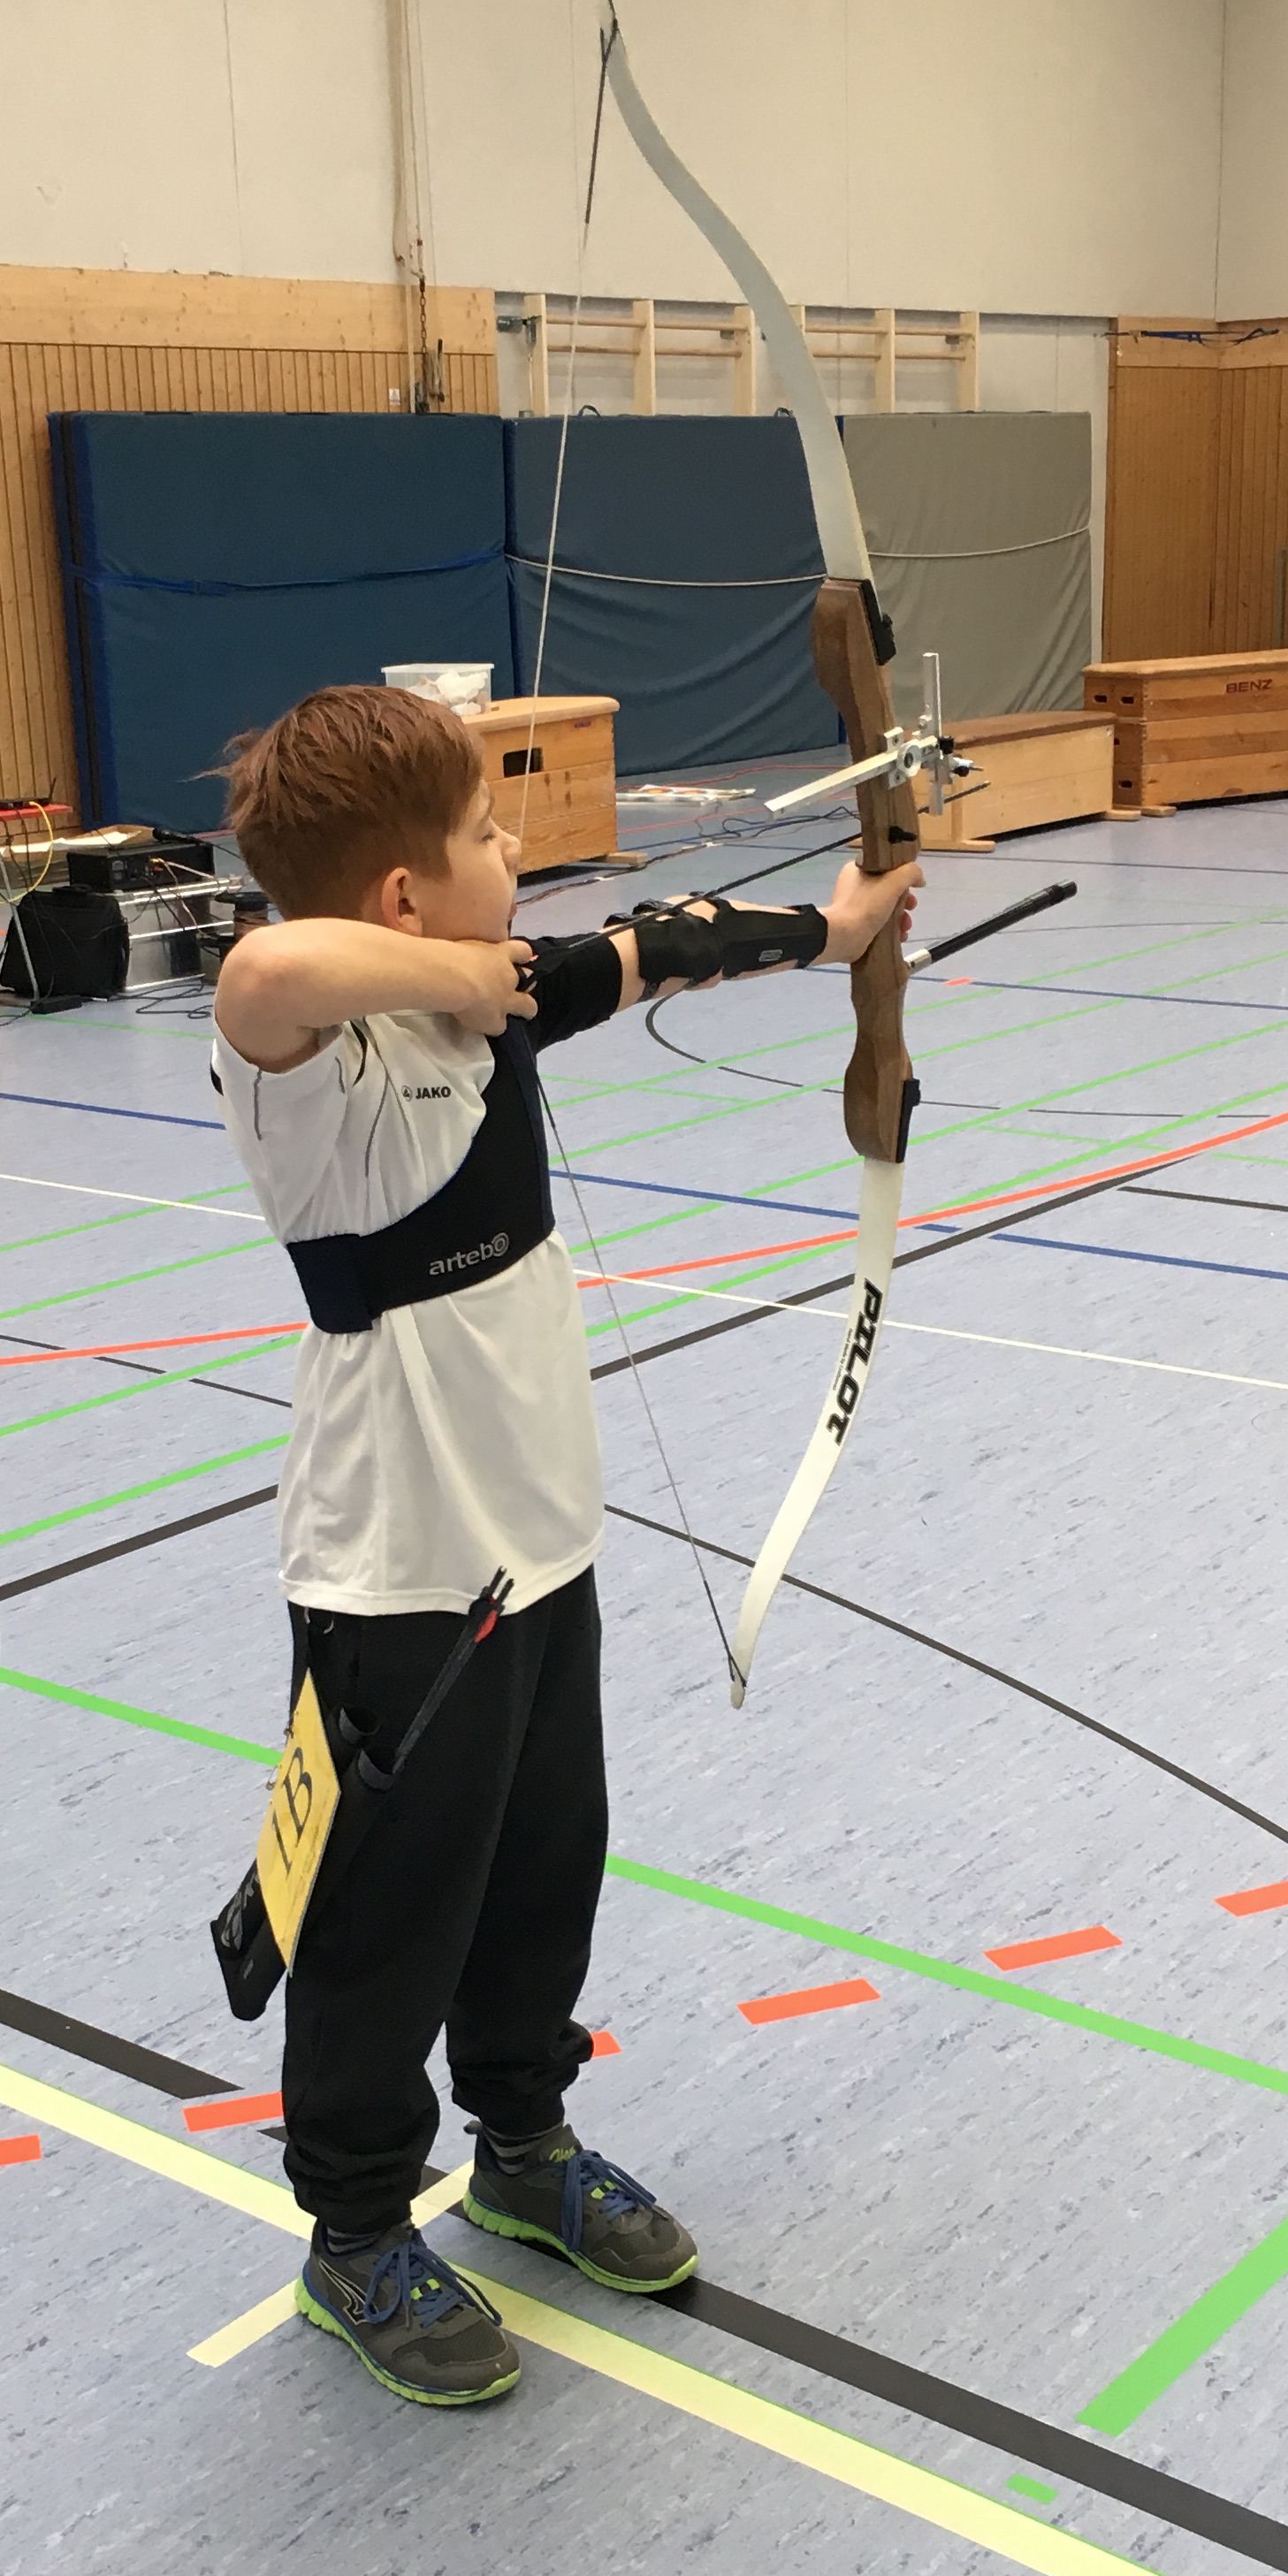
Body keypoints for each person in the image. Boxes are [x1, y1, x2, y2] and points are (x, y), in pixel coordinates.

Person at [212, 681, 918, 2406]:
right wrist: (457, 976)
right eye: (480, 835)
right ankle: (356, 2232)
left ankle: (521, 2142)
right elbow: (264, 971)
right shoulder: (320, 1071)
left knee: (543, 1868)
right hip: (395, 1581)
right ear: (401, 898)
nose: (513, 852)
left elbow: (655, 945)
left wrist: (839, 931)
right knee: (386, 1910)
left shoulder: (495, 1000)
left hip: (540, 1547)